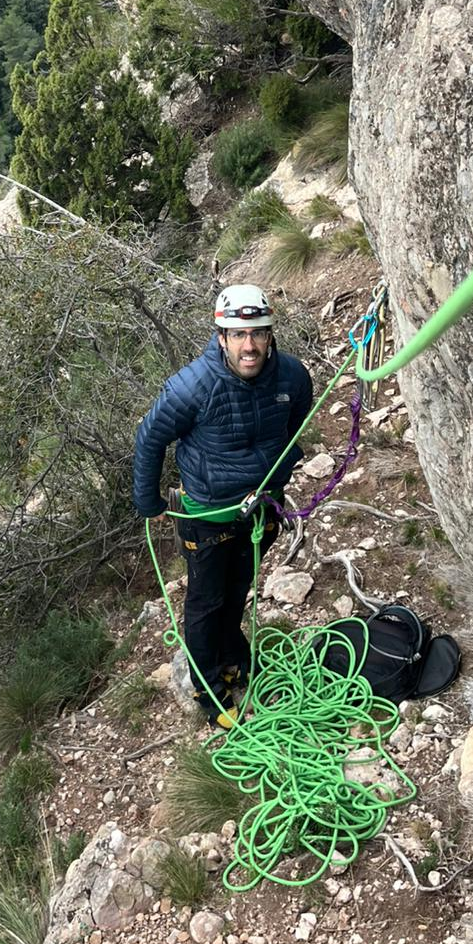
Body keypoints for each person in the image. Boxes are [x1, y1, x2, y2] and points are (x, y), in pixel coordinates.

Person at [133, 284, 314, 727]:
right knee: (206, 602)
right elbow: (149, 437)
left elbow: (298, 420)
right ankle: (207, 686)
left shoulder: (291, 376)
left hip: (259, 510)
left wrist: (284, 465)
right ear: (221, 338)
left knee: (237, 589)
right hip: (207, 515)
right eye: (238, 335)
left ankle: (232, 654)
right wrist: (149, 501)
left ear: (270, 335)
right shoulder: (193, 386)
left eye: (257, 333)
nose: (249, 345)